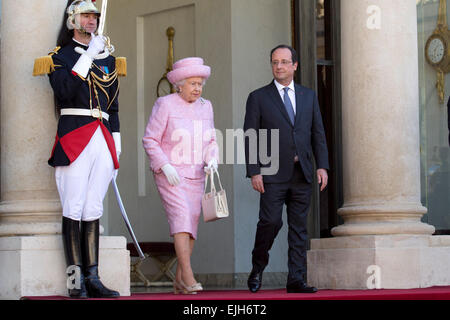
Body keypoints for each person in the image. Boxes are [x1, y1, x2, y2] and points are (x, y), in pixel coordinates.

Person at [33, 0, 124, 298]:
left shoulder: (107, 58)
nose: (91, 21)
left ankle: (93, 277)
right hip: (75, 134)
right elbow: (64, 91)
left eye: (94, 16)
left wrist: (117, 141)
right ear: (72, 19)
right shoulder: (58, 56)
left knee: (93, 209)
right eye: (85, 16)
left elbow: (114, 105)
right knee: (73, 207)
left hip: (103, 135)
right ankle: (75, 282)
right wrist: (87, 57)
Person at [243, 45, 329, 294]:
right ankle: (258, 267)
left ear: (294, 65)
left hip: (302, 172)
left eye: (283, 62)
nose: (278, 66)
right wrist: (254, 171)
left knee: (299, 228)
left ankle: (296, 279)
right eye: (274, 62)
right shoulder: (258, 97)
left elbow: (318, 133)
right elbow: (250, 137)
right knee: (270, 222)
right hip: (271, 174)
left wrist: (322, 165)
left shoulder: (308, 96)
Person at [142, 57, 219, 294]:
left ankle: (179, 280)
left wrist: (212, 159)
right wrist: (165, 166)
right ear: (179, 84)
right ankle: (187, 275)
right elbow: (150, 139)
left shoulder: (206, 106)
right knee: (182, 219)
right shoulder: (165, 104)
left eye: (200, 83)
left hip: (197, 174)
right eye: (193, 83)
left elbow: (211, 140)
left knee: (191, 225)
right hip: (171, 175)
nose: (198, 88)